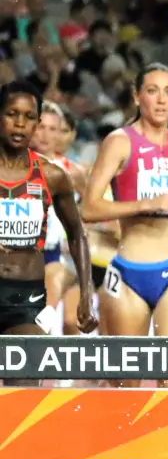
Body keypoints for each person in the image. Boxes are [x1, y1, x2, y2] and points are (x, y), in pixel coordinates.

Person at [81, 64, 168, 381]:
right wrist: (146, 205)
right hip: (128, 273)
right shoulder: (119, 142)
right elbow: (89, 208)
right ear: (137, 97)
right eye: (152, 91)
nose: (161, 100)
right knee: (125, 382)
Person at [0, 82, 97, 370]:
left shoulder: (52, 175)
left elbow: (77, 232)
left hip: (26, 298)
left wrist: (85, 294)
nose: (20, 124)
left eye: (29, 117)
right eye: (11, 114)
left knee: (28, 384)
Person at [30, 100, 89, 331]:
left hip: (54, 256)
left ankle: (42, 326)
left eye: (53, 129)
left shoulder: (72, 173)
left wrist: (77, 230)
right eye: (41, 127)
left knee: (45, 315)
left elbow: (90, 208)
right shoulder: (10, 165)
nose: (45, 135)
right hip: (14, 254)